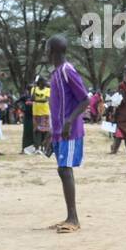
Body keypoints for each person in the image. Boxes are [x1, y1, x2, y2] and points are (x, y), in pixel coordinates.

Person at [45, 35, 91, 233]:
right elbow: (56, 106)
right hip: (58, 131)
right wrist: (51, 132)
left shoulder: (67, 70)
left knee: (65, 169)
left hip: (69, 131)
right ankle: (69, 216)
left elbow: (85, 100)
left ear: (52, 50)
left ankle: (74, 219)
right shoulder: (55, 73)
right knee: (62, 170)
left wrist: (69, 121)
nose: (45, 52)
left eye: (46, 48)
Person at [32, 76, 52, 150]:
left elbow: (45, 100)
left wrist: (36, 101)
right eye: (44, 82)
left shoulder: (47, 90)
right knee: (37, 130)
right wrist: (34, 88)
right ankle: (37, 147)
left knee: (46, 130)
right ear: (39, 83)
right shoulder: (34, 89)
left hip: (45, 112)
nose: (45, 83)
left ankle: (45, 146)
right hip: (36, 112)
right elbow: (32, 98)